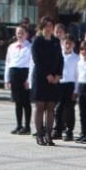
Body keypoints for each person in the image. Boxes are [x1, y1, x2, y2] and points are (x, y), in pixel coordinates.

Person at [30, 17, 63, 146]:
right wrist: (47, 75)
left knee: (50, 107)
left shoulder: (56, 41)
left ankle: (49, 135)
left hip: (54, 78)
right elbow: (37, 60)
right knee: (40, 106)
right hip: (41, 78)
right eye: (46, 26)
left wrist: (58, 75)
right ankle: (39, 135)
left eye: (51, 25)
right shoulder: (37, 41)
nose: (49, 28)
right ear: (42, 27)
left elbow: (60, 59)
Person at [5, 24, 32, 134]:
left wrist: (29, 80)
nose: (20, 35)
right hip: (14, 73)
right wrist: (7, 79)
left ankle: (27, 126)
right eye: (18, 33)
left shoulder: (30, 47)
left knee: (25, 102)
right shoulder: (11, 47)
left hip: (24, 73)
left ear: (27, 34)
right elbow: (8, 63)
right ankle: (19, 125)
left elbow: (32, 64)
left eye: (22, 33)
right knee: (17, 102)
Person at [55, 35, 78, 140]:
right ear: (62, 44)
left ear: (73, 45)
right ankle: (58, 130)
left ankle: (69, 131)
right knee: (58, 108)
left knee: (69, 109)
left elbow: (77, 75)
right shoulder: (58, 56)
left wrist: (76, 90)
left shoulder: (76, 58)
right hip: (60, 84)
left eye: (70, 43)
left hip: (70, 85)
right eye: (66, 43)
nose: (67, 45)